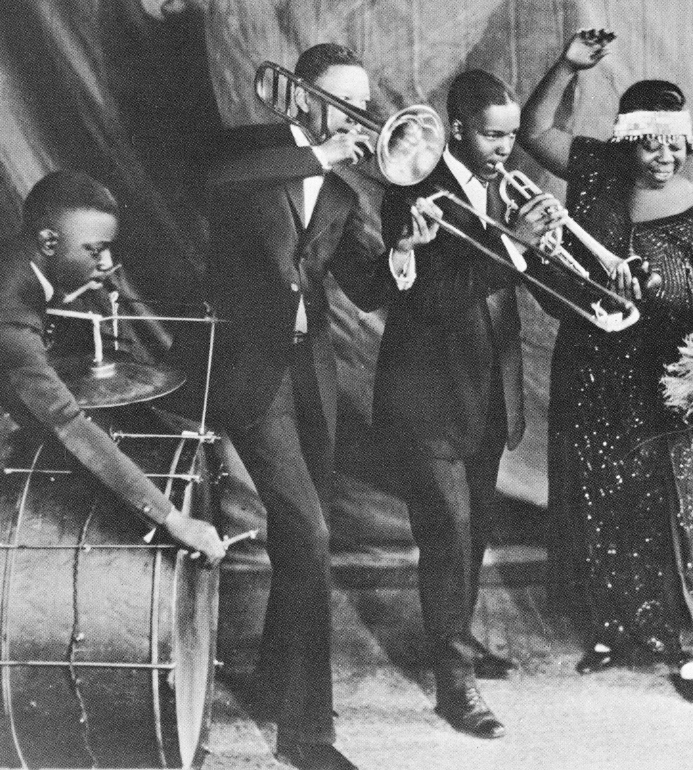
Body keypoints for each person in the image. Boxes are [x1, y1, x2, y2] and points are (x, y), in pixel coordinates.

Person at [520, 30, 693, 704]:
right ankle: (613, 627)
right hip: (593, 372)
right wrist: (567, 67)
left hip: (672, 386)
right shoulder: (593, 172)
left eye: (675, 145)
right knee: (604, 504)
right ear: (626, 142)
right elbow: (533, 131)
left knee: (684, 515)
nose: (664, 157)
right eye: (652, 144)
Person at [207, 43, 384, 770]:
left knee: (301, 536)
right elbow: (220, 181)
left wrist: (402, 257)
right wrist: (319, 154)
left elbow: (365, 289)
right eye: (341, 100)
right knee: (309, 533)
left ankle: (274, 679)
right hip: (251, 369)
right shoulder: (252, 150)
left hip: (311, 373)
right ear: (301, 95)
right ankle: (307, 735)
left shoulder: (343, 191)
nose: (357, 115)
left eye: (362, 103)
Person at [373, 68, 565, 738]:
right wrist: (514, 242)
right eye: (492, 134)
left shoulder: (505, 188)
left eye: (512, 135)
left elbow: (526, 277)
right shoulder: (412, 189)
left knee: (475, 533)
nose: (506, 148)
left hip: (489, 394)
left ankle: (457, 641)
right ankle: (455, 687)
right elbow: (428, 296)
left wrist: (556, 258)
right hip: (428, 397)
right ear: (456, 127)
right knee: (450, 537)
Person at [0, 170, 225, 562]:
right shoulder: (11, 312)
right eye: (94, 250)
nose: (106, 264)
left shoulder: (17, 262)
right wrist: (173, 518)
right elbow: (65, 421)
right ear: (49, 242)